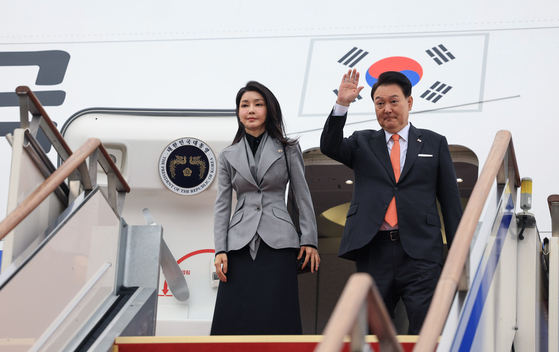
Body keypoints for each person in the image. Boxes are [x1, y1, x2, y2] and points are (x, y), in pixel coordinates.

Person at [320, 69, 463, 334]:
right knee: (375, 328)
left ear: (409, 102)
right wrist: (342, 103)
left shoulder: (434, 143)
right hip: (374, 250)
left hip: (421, 251)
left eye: (394, 101)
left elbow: (450, 202)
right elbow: (330, 145)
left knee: (426, 324)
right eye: (380, 103)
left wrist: (459, 254)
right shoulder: (362, 142)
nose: (387, 108)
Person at [211, 81, 320, 335]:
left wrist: (310, 240)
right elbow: (222, 206)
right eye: (244, 105)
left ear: (269, 110)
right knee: (234, 315)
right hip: (238, 244)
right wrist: (220, 249)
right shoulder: (228, 155)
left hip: (280, 241)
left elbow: (302, 196)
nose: (251, 110)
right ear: (238, 112)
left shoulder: (289, 148)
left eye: (258, 104)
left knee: (279, 312)